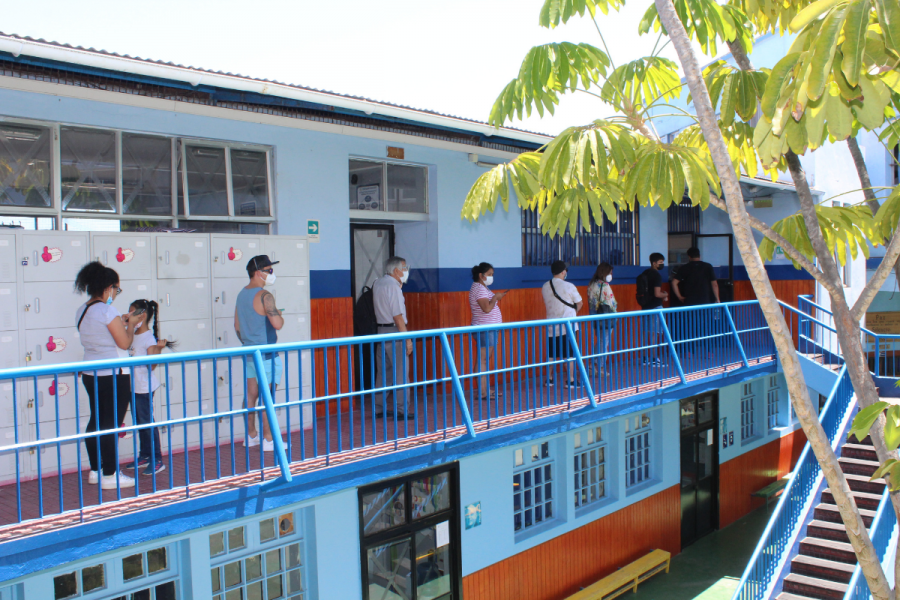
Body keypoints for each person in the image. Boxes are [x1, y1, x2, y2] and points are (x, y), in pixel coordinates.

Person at [74, 262, 142, 490]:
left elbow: (99, 335)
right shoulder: (107, 310)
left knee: (96, 421)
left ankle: (96, 470)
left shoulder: (83, 310)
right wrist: (130, 326)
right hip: (114, 375)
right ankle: (111, 475)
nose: (115, 294)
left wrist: (121, 322)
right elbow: (124, 342)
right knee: (111, 424)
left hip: (91, 373)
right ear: (108, 288)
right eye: (116, 289)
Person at [234, 255, 285, 452]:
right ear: (258, 273)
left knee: (250, 395)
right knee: (268, 398)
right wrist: (279, 314)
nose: (271, 274)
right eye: (269, 270)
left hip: (249, 353)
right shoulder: (265, 296)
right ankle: (269, 440)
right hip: (267, 354)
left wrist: (249, 341)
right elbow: (277, 324)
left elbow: (237, 326)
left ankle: (251, 435)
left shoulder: (241, 295)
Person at [123, 300, 176, 476]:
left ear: (142, 315)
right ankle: (145, 455)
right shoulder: (132, 333)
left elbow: (151, 366)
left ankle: (157, 459)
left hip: (144, 387)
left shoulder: (148, 338)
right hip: (133, 386)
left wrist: (158, 350)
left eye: (132, 313)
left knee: (147, 422)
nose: (129, 316)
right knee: (139, 422)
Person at [372, 256, 412, 418]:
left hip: (381, 331)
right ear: (396, 270)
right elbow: (397, 315)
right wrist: (407, 339)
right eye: (404, 268)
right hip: (395, 332)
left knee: (383, 373)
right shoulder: (393, 286)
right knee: (401, 373)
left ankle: (378, 408)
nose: (406, 271)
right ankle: (402, 410)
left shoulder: (378, 283)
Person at [541, 260, 583, 388]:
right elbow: (579, 303)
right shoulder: (569, 286)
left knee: (552, 354)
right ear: (563, 271)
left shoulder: (545, 286)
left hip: (551, 326)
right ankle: (570, 380)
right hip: (568, 326)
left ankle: (549, 379)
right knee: (569, 354)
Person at [469, 262, 508, 400]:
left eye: (492, 274)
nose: (492, 277)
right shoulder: (479, 288)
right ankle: (482, 392)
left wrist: (495, 297)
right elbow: (486, 308)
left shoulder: (481, 287)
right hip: (485, 328)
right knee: (482, 359)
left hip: (488, 328)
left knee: (484, 359)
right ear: (481, 275)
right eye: (489, 274)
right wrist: (496, 298)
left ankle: (484, 390)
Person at [637, 253, 668, 366]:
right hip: (656, 306)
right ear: (654, 263)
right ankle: (655, 359)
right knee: (655, 334)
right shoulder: (657, 275)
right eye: (660, 262)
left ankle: (645, 359)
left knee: (646, 333)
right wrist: (665, 294)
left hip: (645, 306)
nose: (662, 264)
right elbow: (657, 293)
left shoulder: (644, 273)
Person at [587, 262, 617, 374]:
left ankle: (592, 365)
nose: (611, 274)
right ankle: (599, 367)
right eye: (610, 272)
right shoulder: (604, 286)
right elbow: (611, 303)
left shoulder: (591, 284)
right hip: (606, 317)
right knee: (604, 342)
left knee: (600, 341)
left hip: (595, 316)